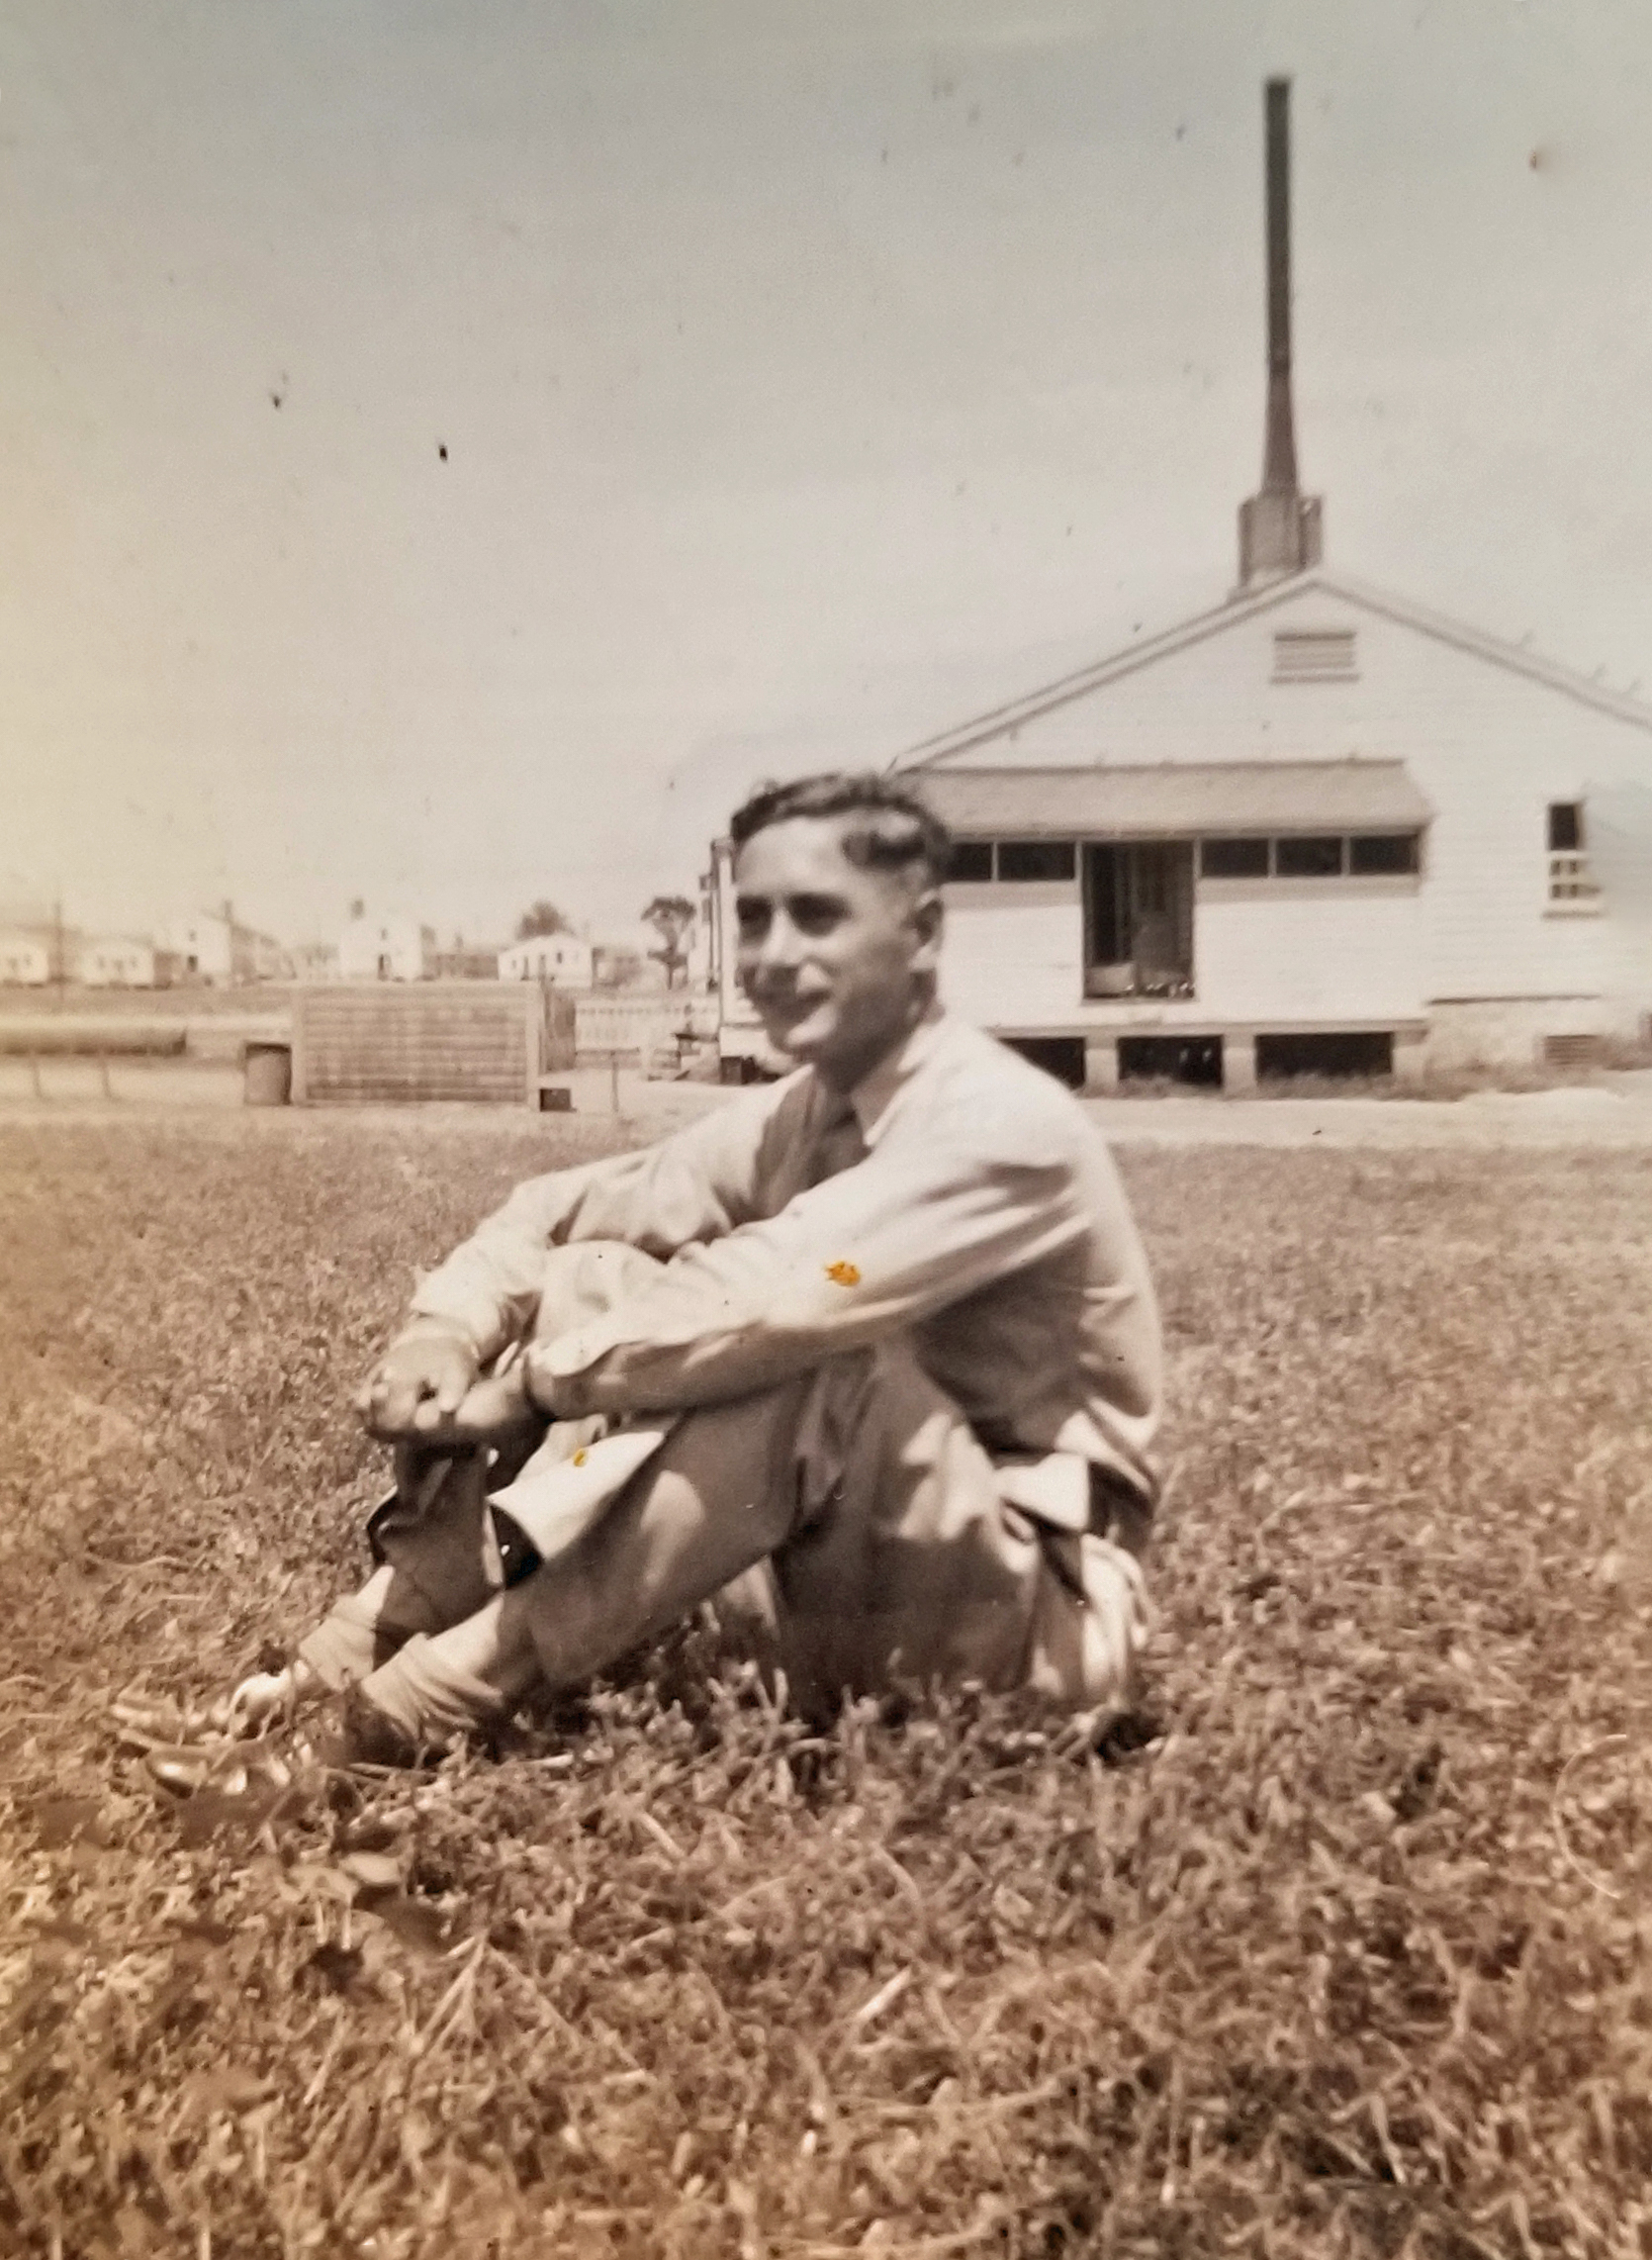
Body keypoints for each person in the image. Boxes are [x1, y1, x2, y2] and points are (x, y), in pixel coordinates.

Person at [122, 772, 1162, 1777]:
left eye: (816, 916)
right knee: (589, 1281)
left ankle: (396, 1723)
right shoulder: (806, 1111)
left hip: (1037, 1628)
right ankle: (331, 1667)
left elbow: (778, 1298)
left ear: (921, 932)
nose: (772, 954)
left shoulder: (998, 1120)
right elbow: (560, 1209)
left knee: (815, 1363)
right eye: (752, 918)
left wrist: (532, 1389)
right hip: (841, 1590)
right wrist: (447, 1330)